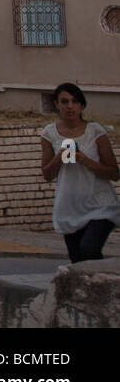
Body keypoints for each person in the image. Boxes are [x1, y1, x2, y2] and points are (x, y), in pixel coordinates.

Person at [39, 82, 120, 262]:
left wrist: (86, 160)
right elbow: (47, 175)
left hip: (100, 205)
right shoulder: (49, 133)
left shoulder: (95, 131)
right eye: (64, 101)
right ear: (56, 104)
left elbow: (114, 173)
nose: (70, 106)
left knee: (89, 250)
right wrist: (59, 157)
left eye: (75, 101)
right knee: (77, 261)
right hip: (69, 207)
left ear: (81, 105)